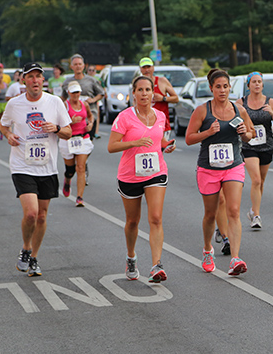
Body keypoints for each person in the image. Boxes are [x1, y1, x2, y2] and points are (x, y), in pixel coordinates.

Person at [0, 62, 73, 277]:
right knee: (31, 213)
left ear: (43, 80)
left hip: (47, 166)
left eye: (38, 76)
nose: (35, 80)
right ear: (24, 80)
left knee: (42, 216)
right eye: (30, 77)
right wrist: (8, 135)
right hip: (22, 165)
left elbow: (68, 132)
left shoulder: (55, 102)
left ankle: (34, 257)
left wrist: (57, 129)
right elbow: (4, 124)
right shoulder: (14, 104)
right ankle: (26, 247)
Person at [108, 75, 177, 283]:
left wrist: (167, 145)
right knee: (132, 221)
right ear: (134, 93)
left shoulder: (160, 116)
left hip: (156, 172)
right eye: (140, 90)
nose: (145, 94)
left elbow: (159, 140)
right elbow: (111, 146)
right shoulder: (125, 117)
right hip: (130, 175)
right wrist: (134, 142)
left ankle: (156, 265)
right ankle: (131, 256)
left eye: (148, 90)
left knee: (155, 217)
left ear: (153, 93)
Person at [186, 68, 254, 276]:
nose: (222, 91)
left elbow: (250, 135)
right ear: (211, 89)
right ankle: (208, 249)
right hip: (208, 168)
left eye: (225, 86)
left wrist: (245, 133)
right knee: (210, 214)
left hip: (233, 166)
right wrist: (208, 132)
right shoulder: (202, 111)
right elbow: (189, 138)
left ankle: (235, 258)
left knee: (233, 210)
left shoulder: (239, 110)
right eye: (218, 87)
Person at [237, 71, 273, 229]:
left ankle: (252, 210)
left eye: (259, 82)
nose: (257, 84)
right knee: (255, 180)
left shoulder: (271, 102)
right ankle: (256, 215)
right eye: (253, 82)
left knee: (261, 182)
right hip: (248, 145)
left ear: (263, 85)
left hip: (266, 145)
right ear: (248, 85)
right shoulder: (240, 103)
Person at [59, 81, 94, 207]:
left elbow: (90, 117)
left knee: (81, 168)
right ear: (68, 93)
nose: (76, 95)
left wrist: (90, 124)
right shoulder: (64, 105)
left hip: (82, 138)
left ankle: (80, 197)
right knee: (71, 170)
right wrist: (70, 122)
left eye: (77, 92)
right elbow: (59, 123)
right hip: (68, 139)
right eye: (73, 92)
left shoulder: (84, 104)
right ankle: (67, 179)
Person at [61, 54, 104, 139]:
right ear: (71, 66)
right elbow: (63, 98)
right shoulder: (67, 82)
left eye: (80, 64)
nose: (78, 66)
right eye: (75, 64)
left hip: (89, 114)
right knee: (73, 141)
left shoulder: (91, 80)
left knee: (87, 142)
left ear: (84, 66)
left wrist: (93, 99)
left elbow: (101, 93)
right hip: (73, 117)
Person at [138, 57, 179, 141]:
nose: (146, 70)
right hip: (145, 125)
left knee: (158, 151)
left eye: (148, 67)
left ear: (153, 68)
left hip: (162, 125)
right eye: (144, 68)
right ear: (140, 69)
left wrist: (163, 98)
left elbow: (176, 98)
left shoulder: (161, 81)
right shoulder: (138, 84)